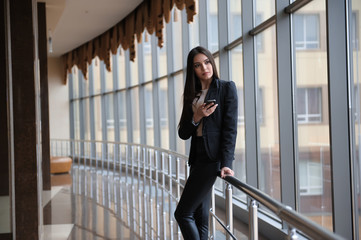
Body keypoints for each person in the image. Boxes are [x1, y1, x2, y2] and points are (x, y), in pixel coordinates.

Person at [174, 46, 238, 240]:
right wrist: (197, 116)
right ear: (192, 69)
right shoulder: (192, 95)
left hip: (212, 160)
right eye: (198, 65)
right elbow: (183, 133)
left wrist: (227, 163)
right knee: (199, 217)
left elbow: (230, 129)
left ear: (212, 62)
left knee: (182, 213)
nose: (204, 68)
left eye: (207, 62)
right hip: (197, 157)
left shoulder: (226, 88)